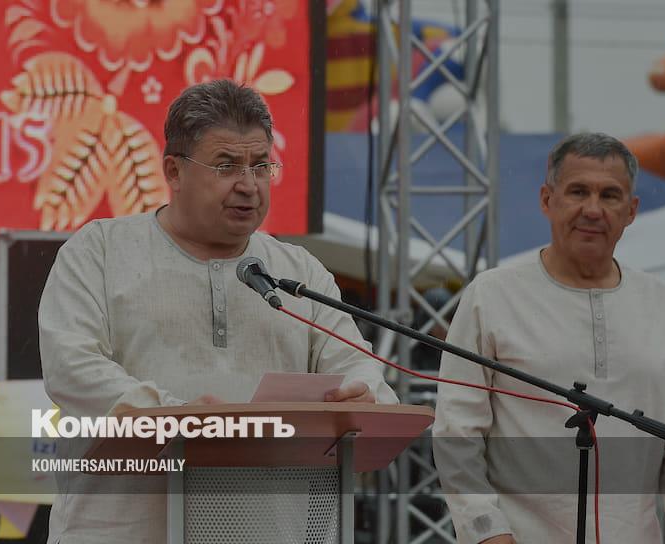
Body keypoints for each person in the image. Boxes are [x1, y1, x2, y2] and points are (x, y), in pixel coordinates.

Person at [38, 79, 398, 544]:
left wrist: (363, 393)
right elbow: (72, 368)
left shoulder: (298, 271)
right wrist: (175, 418)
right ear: (173, 170)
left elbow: (358, 368)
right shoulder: (101, 251)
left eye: (261, 165)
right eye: (226, 166)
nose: (248, 185)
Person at [433, 132, 665, 543]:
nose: (592, 209)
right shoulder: (492, 296)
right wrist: (486, 531)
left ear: (631, 210)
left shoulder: (664, 304)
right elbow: (457, 432)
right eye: (578, 192)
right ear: (547, 200)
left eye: (609, 195)